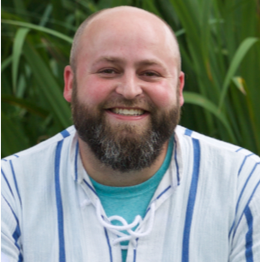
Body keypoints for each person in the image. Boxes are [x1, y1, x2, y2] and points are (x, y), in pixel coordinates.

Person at [0, 6, 259, 262]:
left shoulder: (244, 184)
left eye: (150, 73)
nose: (130, 90)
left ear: (179, 89)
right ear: (70, 83)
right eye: (108, 71)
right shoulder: (10, 190)